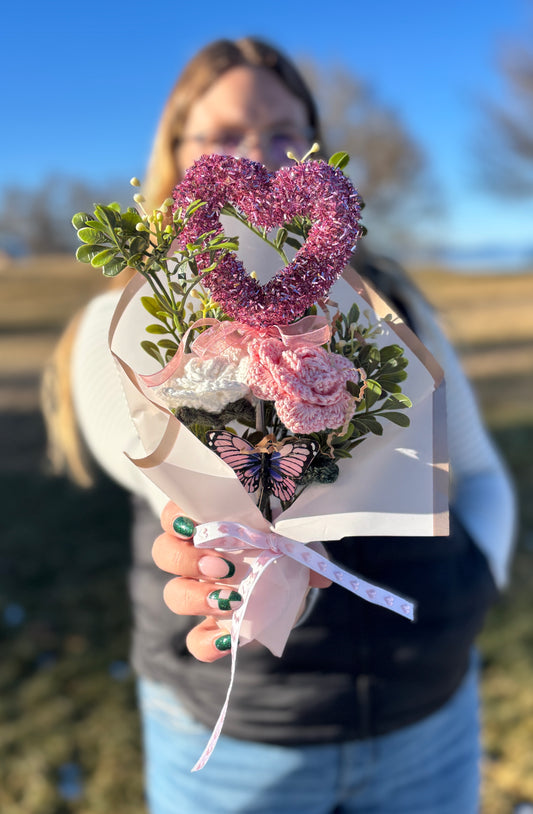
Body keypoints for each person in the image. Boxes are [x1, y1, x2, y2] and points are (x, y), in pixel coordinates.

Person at [44, 38, 516, 814]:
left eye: (283, 132)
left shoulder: (385, 304)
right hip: (240, 741)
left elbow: (478, 471)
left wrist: (476, 577)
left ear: (314, 150)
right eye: (224, 135)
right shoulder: (127, 328)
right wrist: (254, 580)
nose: (257, 156)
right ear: (176, 156)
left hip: (428, 716)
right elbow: (206, 511)